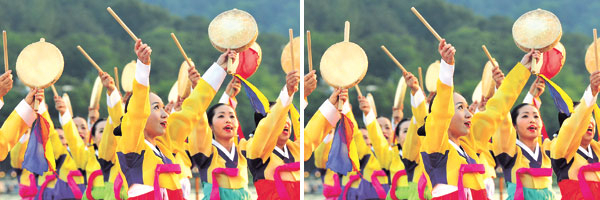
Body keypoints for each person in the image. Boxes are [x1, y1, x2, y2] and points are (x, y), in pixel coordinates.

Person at [115, 39, 183, 199]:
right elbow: (137, 110)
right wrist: (143, 68)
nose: (165, 113)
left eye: (163, 107)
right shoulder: (131, 146)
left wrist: (219, 69)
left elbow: (193, 112)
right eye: (156, 107)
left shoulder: (164, 148)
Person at [550, 71, 600, 199]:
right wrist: (591, 93)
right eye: (584, 117)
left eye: (591, 116)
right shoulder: (561, 151)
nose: (589, 121)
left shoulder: (597, 149)